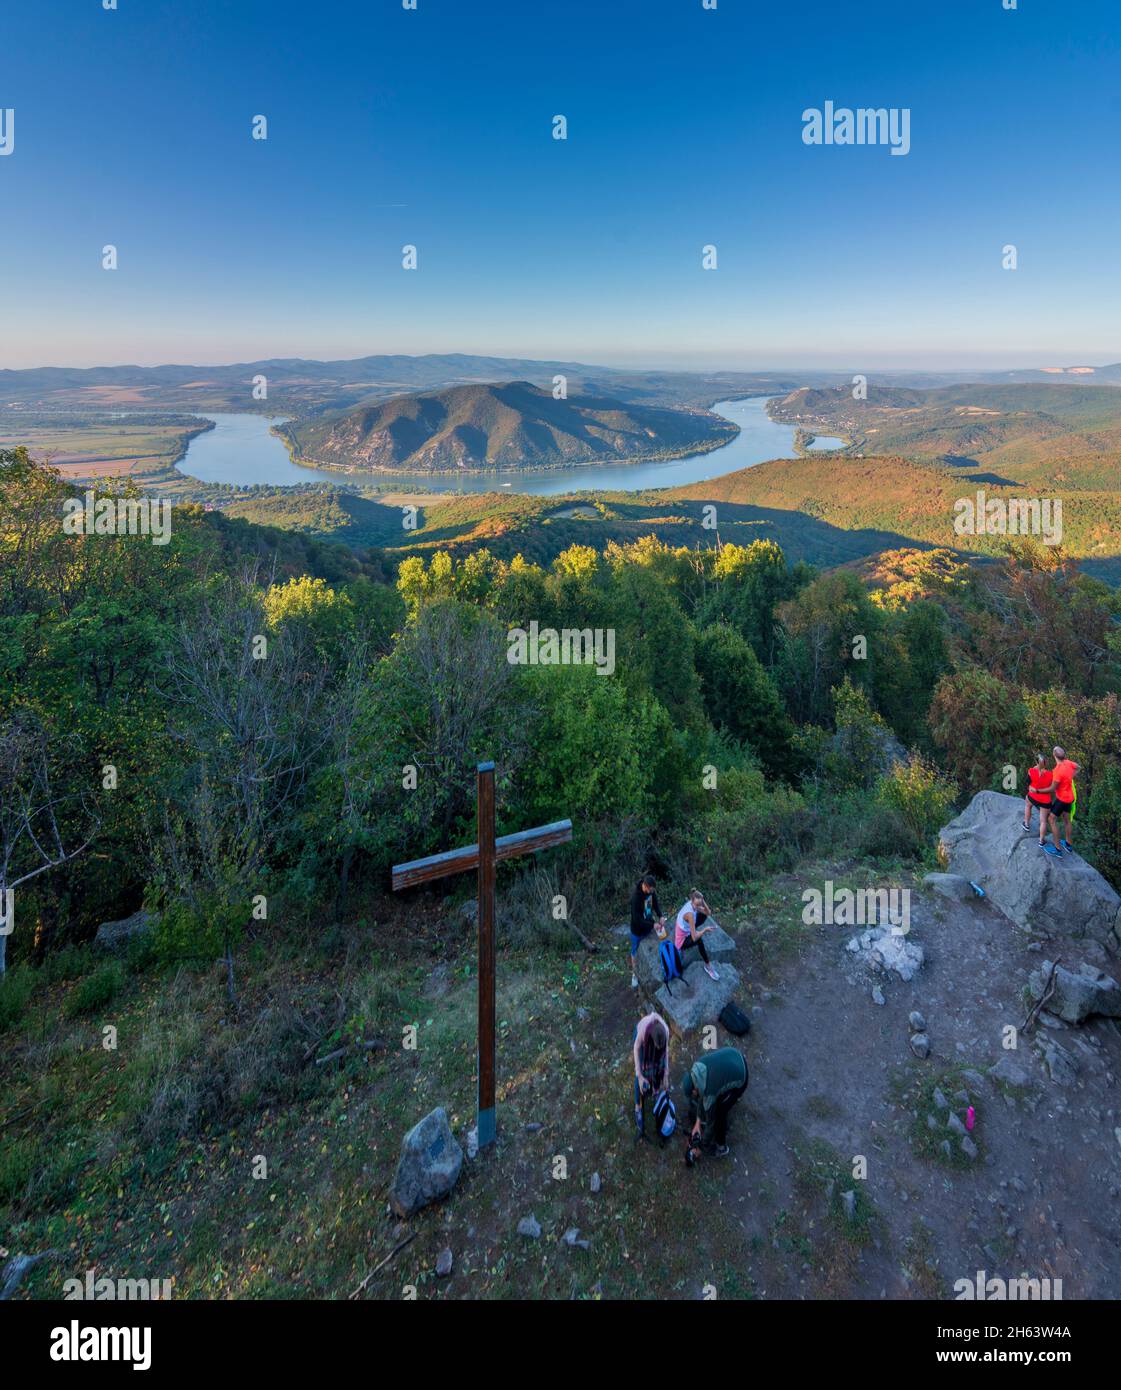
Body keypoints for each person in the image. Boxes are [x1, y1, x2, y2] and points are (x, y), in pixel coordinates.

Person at [682, 1047, 748, 1161]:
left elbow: (710, 1124)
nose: (694, 1097)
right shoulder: (698, 1068)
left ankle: (722, 1147)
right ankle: (728, 1088)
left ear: (694, 1090)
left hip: (742, 1076)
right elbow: (701, 1095)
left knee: (720, 1114)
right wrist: (697, 1123)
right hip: (735, 1054)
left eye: (692, 1094)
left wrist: (701, 1147)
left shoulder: (709, 1092)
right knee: (712, 1099)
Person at [633, 1010, 670, 1138]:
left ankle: (654, 1090)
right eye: (656, 1046)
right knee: (642, 1074)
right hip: (642, 1042)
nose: (659, 1048)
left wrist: (665, 1074)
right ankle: (638, 1106)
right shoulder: (643, 1031)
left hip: (652, 1042)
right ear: (652, 1040)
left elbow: (665, 1053)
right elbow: (636, 1048)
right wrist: (639, 1076)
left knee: (657, 1067)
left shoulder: (665, 1030)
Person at [629, 873, 667, 988]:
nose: (652, 892)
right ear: (645, 886)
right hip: (638, 931)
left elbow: (656, 904)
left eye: (653, 890)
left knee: (654, 945)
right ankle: (634, 975)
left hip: (650, 925)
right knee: (635, 953)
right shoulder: (636, 898)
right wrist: (652, 925)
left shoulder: (651, 892)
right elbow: (637, 920)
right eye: (650, 890)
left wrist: (660, 916)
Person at [675, 889, 720, 981]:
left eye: (699, 905)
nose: (698, 907)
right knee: (699, 940)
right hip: (681, 940)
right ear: (692, 901)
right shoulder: (690, 914)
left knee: (704, 915)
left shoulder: (693, 904)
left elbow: (708, 912)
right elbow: (694, 938)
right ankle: (708, 966)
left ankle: (693, 929)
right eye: (697, 905)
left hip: (687, 929)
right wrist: (704, 930)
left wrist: (702, 901)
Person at [1047, 746, 1080, 857]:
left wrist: (1037, 790)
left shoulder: (1057, 771)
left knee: (1051, 819)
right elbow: (1078, 767)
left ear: (1054, 755)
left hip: (1062, 799)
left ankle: (1057, 849)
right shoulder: (1068, 763)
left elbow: (1052, 788)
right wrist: (1071, 777)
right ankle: (1068, 844)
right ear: (1064, 756)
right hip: (1070, 798)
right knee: (1067, 820)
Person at [1023, 754, 1053, 841]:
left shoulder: (1031, 770)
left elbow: (1028, 782)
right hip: (1045, 801)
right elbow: (1052, 788)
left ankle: (1026, 824)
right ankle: (1041, 841)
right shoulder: (1051, 775)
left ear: (1036, 762)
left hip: (1033, 796)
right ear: (1046, 763)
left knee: (1028, 805)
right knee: (1043, 821)